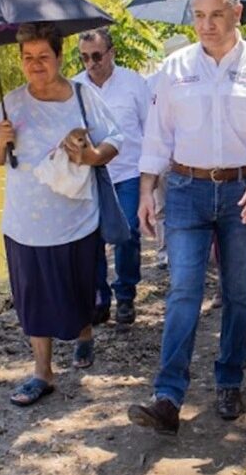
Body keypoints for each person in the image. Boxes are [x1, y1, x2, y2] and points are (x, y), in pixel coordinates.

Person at [127, 0, 246, 433]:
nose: (206, 25)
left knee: (239, 291)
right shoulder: (174, 67)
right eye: (198, 16)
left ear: (237, 14)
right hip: (186, 190)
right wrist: (146, 189)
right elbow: (158, 135)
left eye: (216, 15)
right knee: (183, 290)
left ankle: (229, 379)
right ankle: (167, 396)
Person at [0, 22, 124, 407]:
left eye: (44, 56)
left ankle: (84, 335)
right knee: (32, 299)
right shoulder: (10, 103)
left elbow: (115, 138)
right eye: (28, 58)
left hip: (76, 218)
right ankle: (42, 373)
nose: (36, 64)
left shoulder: (81, 96)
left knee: (79, 289)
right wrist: (0, 141)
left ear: (60, 57)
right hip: (24, 222)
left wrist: (92, 155)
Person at [73, 27, 151, 327]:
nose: (91, 63)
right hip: (91, 175)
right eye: (84, 58)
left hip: (129, 171)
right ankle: (99, 298)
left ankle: (126, 294)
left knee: (128, 233)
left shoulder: (134, 83)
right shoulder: (75, 88)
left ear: (111, 53)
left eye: (96, 56)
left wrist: (151, 177)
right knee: (90, 238)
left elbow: (150, 128)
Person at [147, 35, 193, 271]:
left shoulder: (198, 80)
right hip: (165, 157)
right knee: (163, 206)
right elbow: (150, 124)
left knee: (189, 207)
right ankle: (165, 251)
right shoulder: (153, 83)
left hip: (192, 158)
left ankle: (187, 252)